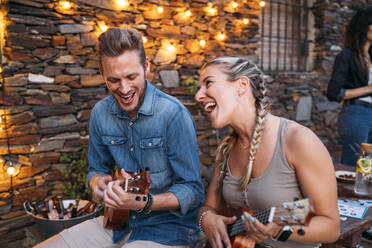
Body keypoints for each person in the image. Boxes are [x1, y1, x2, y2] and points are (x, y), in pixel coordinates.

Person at [35, 26, 204, 248]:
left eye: (131, 77)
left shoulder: (173, 114)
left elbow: (193, 189)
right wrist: (98, 184)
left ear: (146, 68)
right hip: (117, 223)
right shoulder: (100, 113)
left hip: (169, 229)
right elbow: (96, 171)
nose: (124, 89)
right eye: (113, 80)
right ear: (103, 74)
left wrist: (144, 203)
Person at [195, 57, 340, 248]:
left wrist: (281, 230)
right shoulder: (226, 148)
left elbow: (331, 227)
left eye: (208, 83)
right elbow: (209, 208)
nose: (198, 96)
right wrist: (207, 219)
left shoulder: (297, 140)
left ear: (242, 86)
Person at [327, 7, 372, 166]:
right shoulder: (346, 56)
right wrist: (368, 89)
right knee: (355, 165)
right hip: (356, 114)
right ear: (365, 27)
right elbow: (333, 93)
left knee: (369, 168)